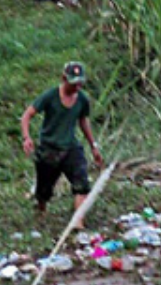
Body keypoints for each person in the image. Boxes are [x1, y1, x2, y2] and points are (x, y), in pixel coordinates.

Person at [20, 62, 103, 228]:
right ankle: (41, 208)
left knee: (81, 182)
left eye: (79, 83)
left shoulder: (82, 99)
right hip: (49, 149)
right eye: (73, 83)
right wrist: (26, 137)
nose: (76, 87)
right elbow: (27, 115)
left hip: (71, 147)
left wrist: (93, 145)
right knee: (44, 189)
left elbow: (83, 121)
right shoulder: (50, 96)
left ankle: (78, 221)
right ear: (64, 79)